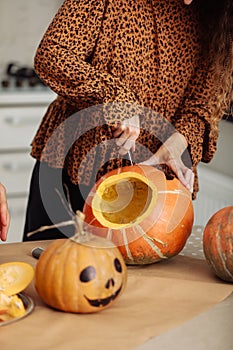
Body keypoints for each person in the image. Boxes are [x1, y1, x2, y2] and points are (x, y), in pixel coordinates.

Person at [23, 0, 233, 241]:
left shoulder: (218, 15)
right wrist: (115, 97)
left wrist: (174, 147)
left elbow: (203, 106)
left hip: (156, 185)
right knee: (55, 269)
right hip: (74, 165)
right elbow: (53, 54)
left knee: (143, 277)